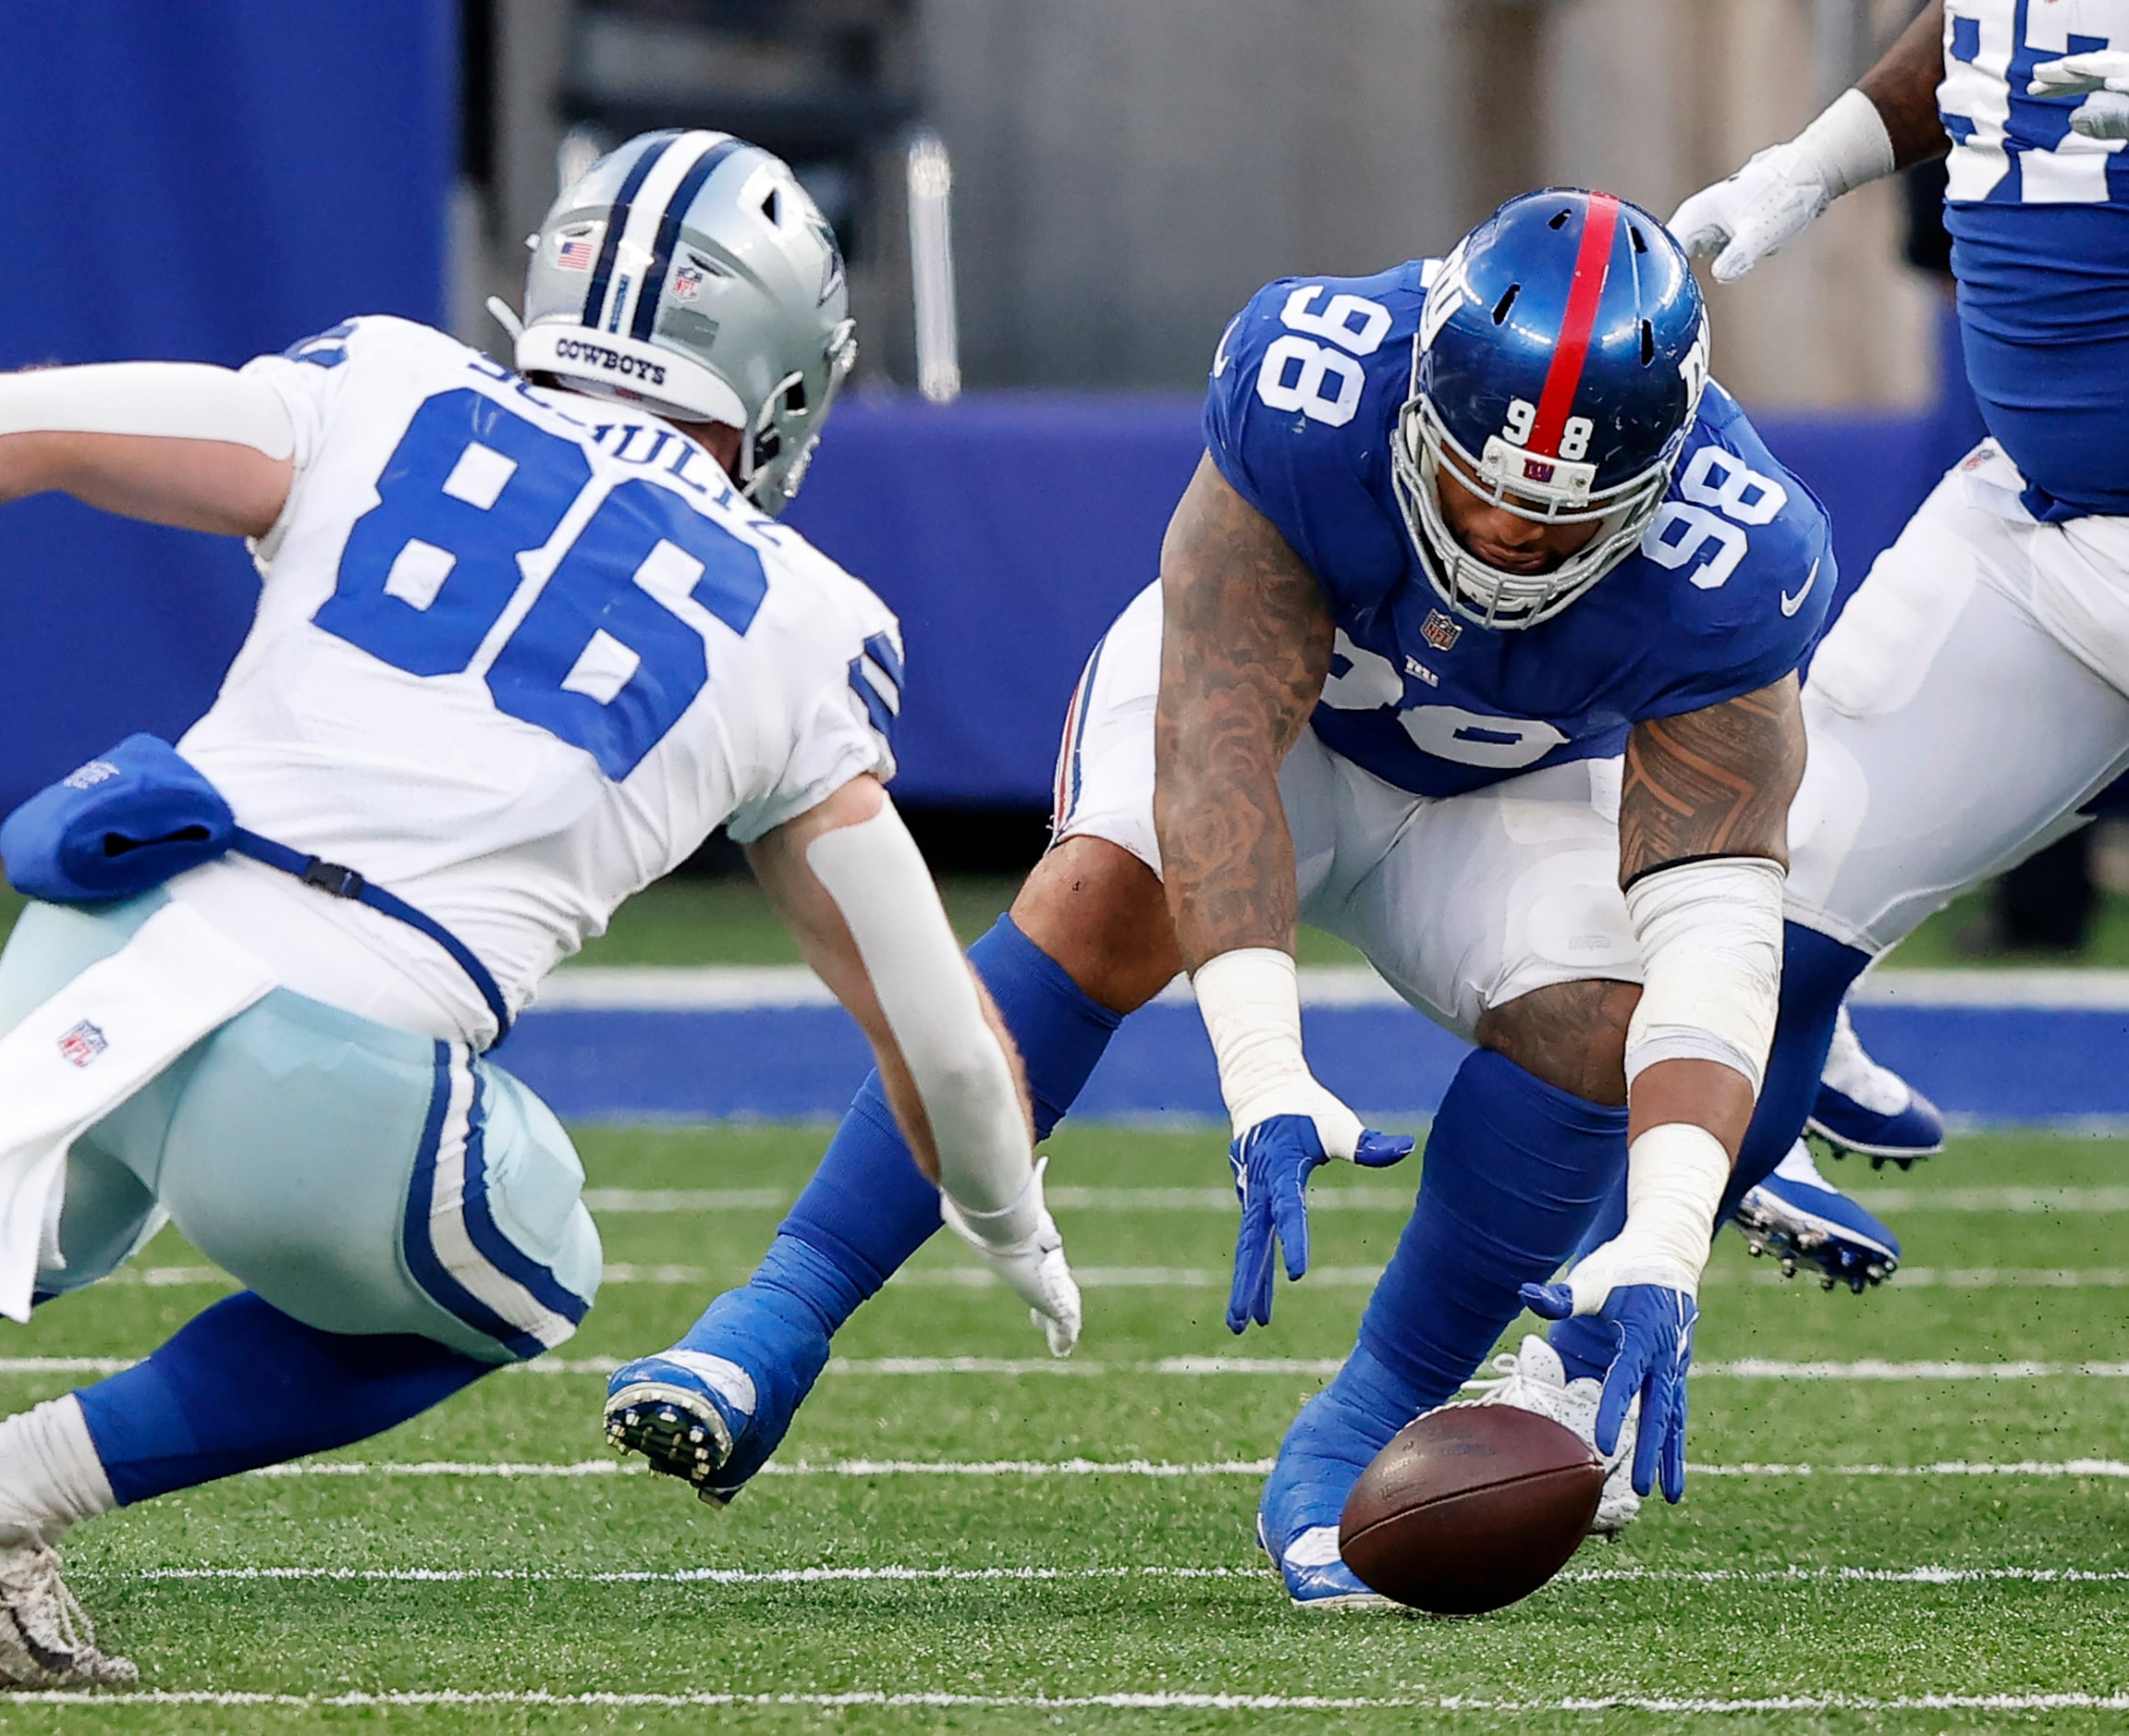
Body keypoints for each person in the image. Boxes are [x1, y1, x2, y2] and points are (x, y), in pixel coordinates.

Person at [0, 129, 1083, 1685]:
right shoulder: (806, 617)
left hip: (112, 925)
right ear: (780, 367)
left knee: (18, 1221)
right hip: (336, 1063)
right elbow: (929, 1018)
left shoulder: (389, 384)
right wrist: (1004, 1213)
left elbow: (20, 423)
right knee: (529, 1268)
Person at [610, 187, 1830, 1607]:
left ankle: (1359, 1438)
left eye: (1553, 521)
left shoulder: (1739, 550)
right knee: (1102, 893)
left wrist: (1668, 1233)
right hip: (1283, 726)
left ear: (1660, 474)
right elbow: (1216, 741)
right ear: (1420, 404)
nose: (1502, 534)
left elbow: (1718, 924)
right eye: (1474, 486)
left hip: (1513, 782)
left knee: (1601, 1019)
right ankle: (778, 1313)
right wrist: (1261, 1065)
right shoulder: (1317, 384)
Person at [1577, 0, 2129, 1319]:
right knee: (1753, 931)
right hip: (2046, 529)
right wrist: (1808, 165)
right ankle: (1577, 1375)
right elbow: (1981, 26)